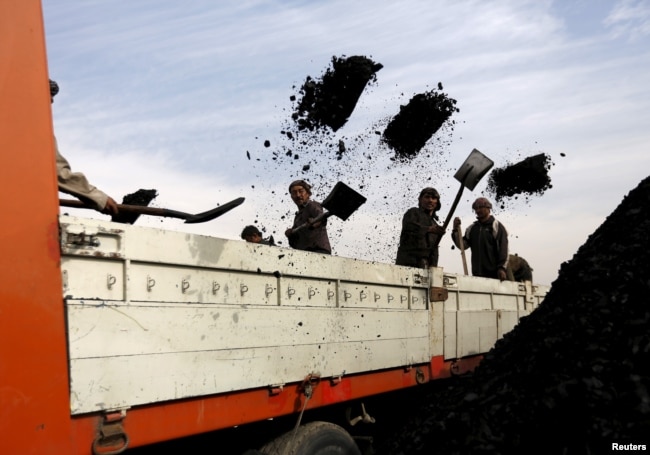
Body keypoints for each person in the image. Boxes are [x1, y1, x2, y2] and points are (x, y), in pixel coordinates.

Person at [50, 79, 119, 216]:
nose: (52, 101)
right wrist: (98, 198)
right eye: (48, 95)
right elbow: (54, 171)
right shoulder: (26, 124)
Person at [451, 197, 509, 281]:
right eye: (476, 208)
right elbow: (462, 245)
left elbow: (504, 248)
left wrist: (502, 268)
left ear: (488, 208)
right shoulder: (472, 229)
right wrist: (455, 230)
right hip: (477, 274)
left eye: (481, 207)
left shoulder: (496, 226)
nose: (478, 210)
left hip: (495, 275)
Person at [395, 187, 446, 268]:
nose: (430, 200)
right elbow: (410, 228)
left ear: (437, 202)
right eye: (427, 197)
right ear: (420, 199)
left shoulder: (434, 224)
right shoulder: (413, 212)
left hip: (426, 267)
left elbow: (434, 250)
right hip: (407, 263)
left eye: (433, 198)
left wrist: (434, 268)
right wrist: (429, 229)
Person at [284, 180, 331, 254]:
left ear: (308, 193)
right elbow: (295, 243)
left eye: (301, 191)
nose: (298, 195)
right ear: (291, 197)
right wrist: (290, 235)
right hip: (304, 254)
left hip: (319, 251)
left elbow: (321, 218)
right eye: (294, 193)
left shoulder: (313, 205)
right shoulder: (297, 218)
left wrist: (314, 223)